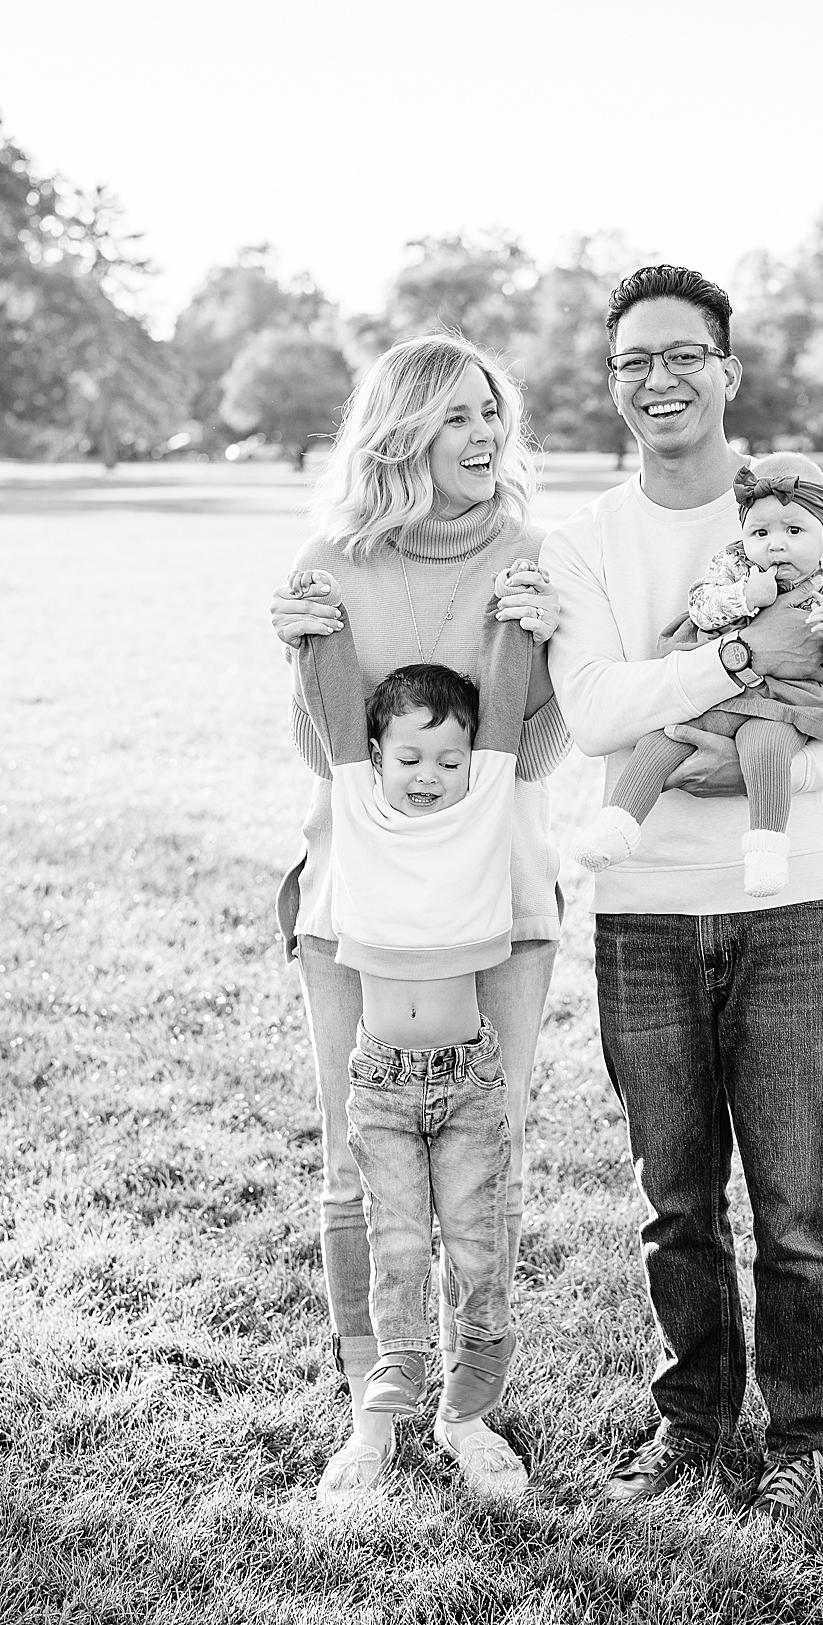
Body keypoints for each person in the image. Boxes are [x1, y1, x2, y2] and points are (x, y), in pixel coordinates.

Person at [541, 265, 823, 1524]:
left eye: (684, 355)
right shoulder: (585, 539)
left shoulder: (814, 515)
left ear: (728, 370)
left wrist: (756, 766)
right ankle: (691, 1423)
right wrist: (749, 655)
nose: (660, 379)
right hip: (642, 907)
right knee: (675, 1202)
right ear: (612, 384)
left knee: (800, 1204)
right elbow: (596, 711)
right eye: (634, 360)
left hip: (796, 898)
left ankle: (811, 1431)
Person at [270, 333, 568, 1503]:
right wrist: (293, 656)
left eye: (491, 410)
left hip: (503, 901)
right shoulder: (333, 560)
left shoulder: (535, 556)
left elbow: (538, 751)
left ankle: (469, 1411)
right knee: (360, 1158)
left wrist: (544, 650)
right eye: (454, 417)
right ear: (403, 435)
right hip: (357, 908)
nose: (484, 434)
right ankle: (374, 1409)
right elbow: (321, 749)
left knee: (483, 1165)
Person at [289, 593, 535, 1496]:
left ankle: (467, 1411)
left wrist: (513, 623)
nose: (429, 772)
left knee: (477, 1247)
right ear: (378, 758)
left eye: (448, 757)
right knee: (395, 1249)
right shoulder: (358, 802)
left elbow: (506, 713)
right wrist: (321, 624)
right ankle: (383, 1411)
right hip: (383, 1085)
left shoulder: (485, 804)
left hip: (469, 1081)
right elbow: (331, 704)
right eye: (409, 756)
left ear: (473, 763)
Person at [571, 450, 823, 896]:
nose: (776, 544)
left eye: (794, 531)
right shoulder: (734, 567)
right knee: (668, 735)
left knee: (764, 743)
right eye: (761, 531)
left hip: (789, 702)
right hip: (723, 694)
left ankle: (766, 852)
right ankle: (618, 824)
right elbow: (701, 608)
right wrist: (744, 596)